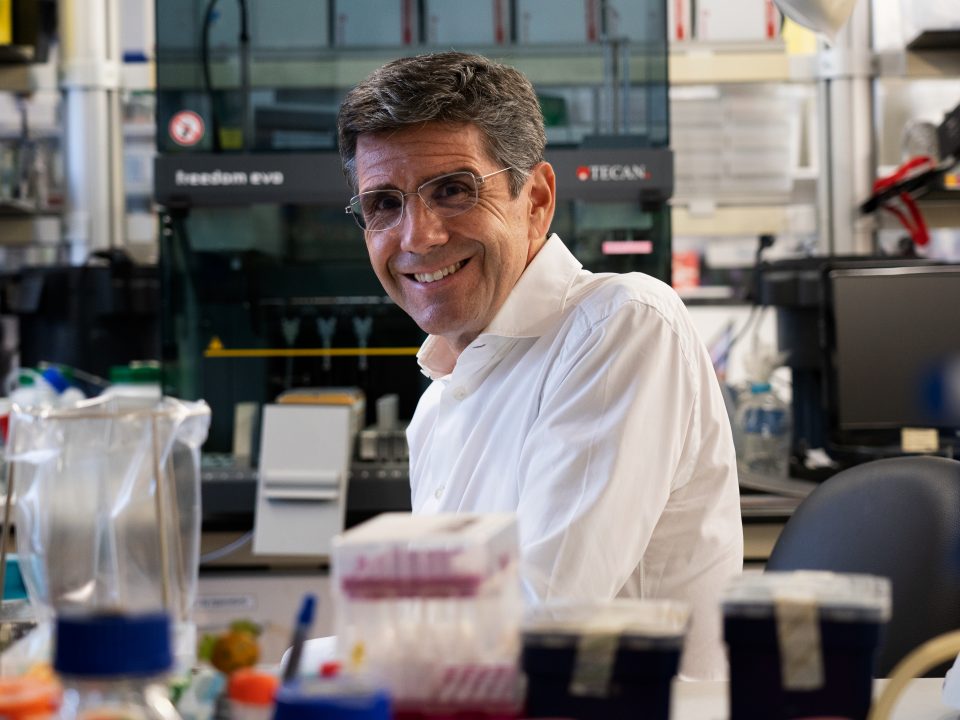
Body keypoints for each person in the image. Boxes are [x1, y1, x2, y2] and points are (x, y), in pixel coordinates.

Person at [337, 51, 743, 680]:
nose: (418, 236)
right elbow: (447, 634)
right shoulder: (438, 404)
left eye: (453, 190)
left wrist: (310, 669)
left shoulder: (621, 324)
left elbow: (541, 623)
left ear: (537, 200)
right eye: (384, 203)